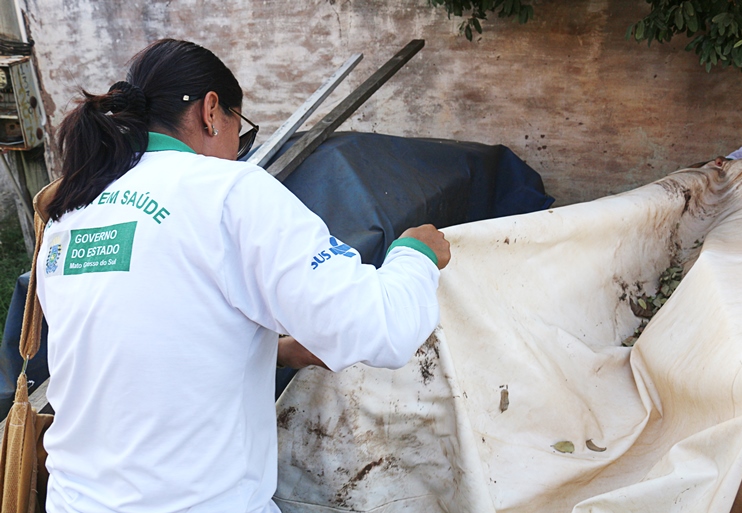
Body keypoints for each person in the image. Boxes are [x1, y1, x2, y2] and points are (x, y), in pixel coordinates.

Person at [37, 39, 450, 513]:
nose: (238, 151)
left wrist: (270, 352)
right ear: (212, 111)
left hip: (73, 501)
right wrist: (415, 255)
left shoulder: (71, 212)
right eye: (242, 131)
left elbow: (127, 336)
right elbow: (380, 328)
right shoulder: (228, 192)